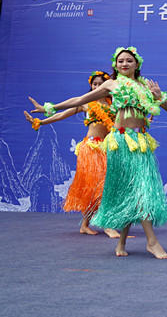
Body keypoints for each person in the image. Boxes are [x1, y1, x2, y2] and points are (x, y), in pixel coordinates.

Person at [30, 47, 167, 259]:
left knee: (132, 192)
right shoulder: (112, 84)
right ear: (115, 66)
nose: (124, 64)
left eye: (128, 60)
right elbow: (81, 99)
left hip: (141, 142)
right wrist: (49, 108)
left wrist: (158, 98)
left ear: (137, 64)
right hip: (121, 143)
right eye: (120, 61)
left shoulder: (145, 86)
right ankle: (152, 243)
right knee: (140, 189)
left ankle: (121, 244)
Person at [25, 71, 119, 238]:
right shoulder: (87, 103)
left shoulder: (114, 106)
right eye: (94, 84)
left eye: (100, 84)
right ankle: (107, 225)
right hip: (91, 147)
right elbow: (62, 114)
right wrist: (41, 121)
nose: (96, 87)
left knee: (102, 186)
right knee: (99, 185)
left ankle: (84, 225)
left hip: (107, 147)